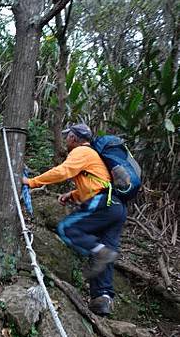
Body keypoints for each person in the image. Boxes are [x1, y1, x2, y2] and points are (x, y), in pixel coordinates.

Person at [22, 123, 127, 316]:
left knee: (68, 229)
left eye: (68, 136)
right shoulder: (94, 157)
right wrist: (73, 195)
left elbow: (63, 172)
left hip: (103, 202)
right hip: (117, 207)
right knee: (105, 254)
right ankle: (101, 299)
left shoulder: (82, 152)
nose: (66, 140)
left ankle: (100, 252)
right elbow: (96, 182)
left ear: (74, 138)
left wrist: (31, 182)